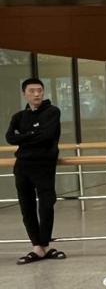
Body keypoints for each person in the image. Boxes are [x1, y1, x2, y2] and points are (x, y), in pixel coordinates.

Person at [6, 77, 64, 264]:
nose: (37, 94)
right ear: (24, 93)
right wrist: (32, 134)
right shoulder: (19, 117)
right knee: (26, 207)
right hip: (22, 166)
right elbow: (10, 138)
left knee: (46, 204)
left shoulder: (52, 112)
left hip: (44, 165)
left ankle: (44, 244)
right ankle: (37, 247)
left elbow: (46, 136)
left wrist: (24, 136)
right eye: (32, 91)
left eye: (39, 90)